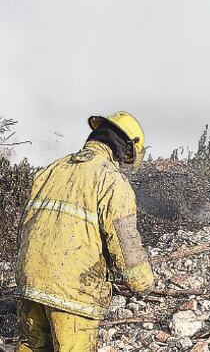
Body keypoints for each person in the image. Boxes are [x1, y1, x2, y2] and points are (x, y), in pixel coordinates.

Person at [15, 111, 154, 352]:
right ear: (125, 148)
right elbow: (125, 243)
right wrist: (141, 283)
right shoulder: (111, 180)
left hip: (31, 281)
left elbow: (26, 225)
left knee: (31, 347)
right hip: (72, 292)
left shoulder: (51, 170)